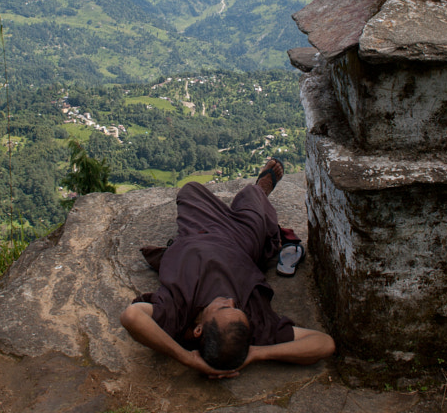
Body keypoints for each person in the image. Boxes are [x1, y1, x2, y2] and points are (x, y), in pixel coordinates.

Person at [120, 158, 335, 378]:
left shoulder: (176, 313)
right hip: (241, 244)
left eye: (224, 308)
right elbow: (324, 344)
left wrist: (187, 359)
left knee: (190, 190)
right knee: (252, 197)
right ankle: (261, 188)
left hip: (200, 233)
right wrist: (257, 353)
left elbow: (131, 317)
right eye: (237, 308)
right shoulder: (254, 327)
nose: (231, 301)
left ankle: (256, 196)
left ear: (198, 329)